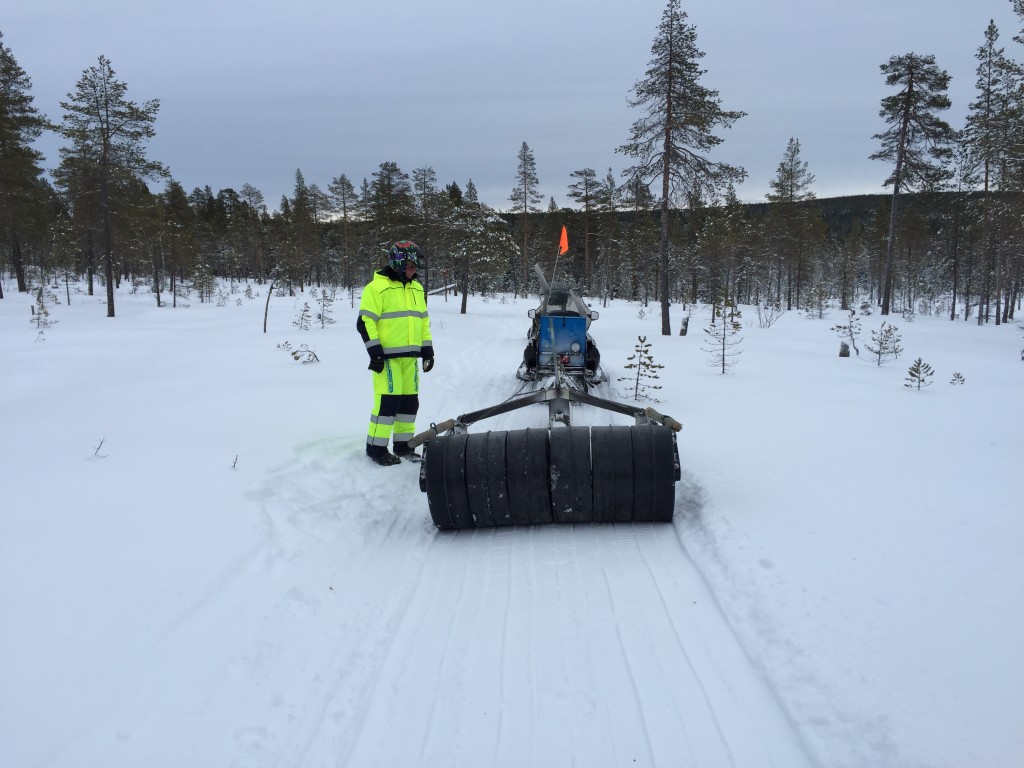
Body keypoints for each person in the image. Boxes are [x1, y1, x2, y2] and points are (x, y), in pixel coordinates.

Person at [356, 240, 434, 466]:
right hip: (387, 360)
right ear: (398, 263)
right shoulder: (376, 288)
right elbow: (364, 322)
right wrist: (375, 353)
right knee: (387, 404)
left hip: (410, 358)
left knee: (409, 404)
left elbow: (423, 322)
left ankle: (403, 446)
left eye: (416, 266)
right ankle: (377, 450)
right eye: (411, 265)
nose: (414, 270)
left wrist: (427, 350)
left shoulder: (416, 288)